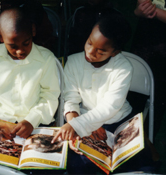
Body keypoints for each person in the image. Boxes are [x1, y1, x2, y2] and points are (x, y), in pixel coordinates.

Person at [52, 14, 157, 174]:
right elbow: (70, 98)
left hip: (120, 121)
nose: (90, 52)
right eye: (89, 42)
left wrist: (80, 125)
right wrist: (76, 124)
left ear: (115, 52)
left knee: (135, 162)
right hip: (83, 117)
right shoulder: (73, 62)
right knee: (80, 163)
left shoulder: (123, 67)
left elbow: (110, 106)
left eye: (100, 52)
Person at [0, 7, 60, 141]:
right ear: (0, 36)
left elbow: (50, 95)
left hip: (35, 123)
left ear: (33, 31)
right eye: (13, 46)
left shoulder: (46, 58)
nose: (20, 51)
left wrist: (31, 120)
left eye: (26, 43)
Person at [132, 0, 166, 134]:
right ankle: (126, 138)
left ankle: (146, 140)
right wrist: (139, 9)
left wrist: (154, 11)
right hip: (145, 38)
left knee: (158, 95)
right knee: (134, 89)